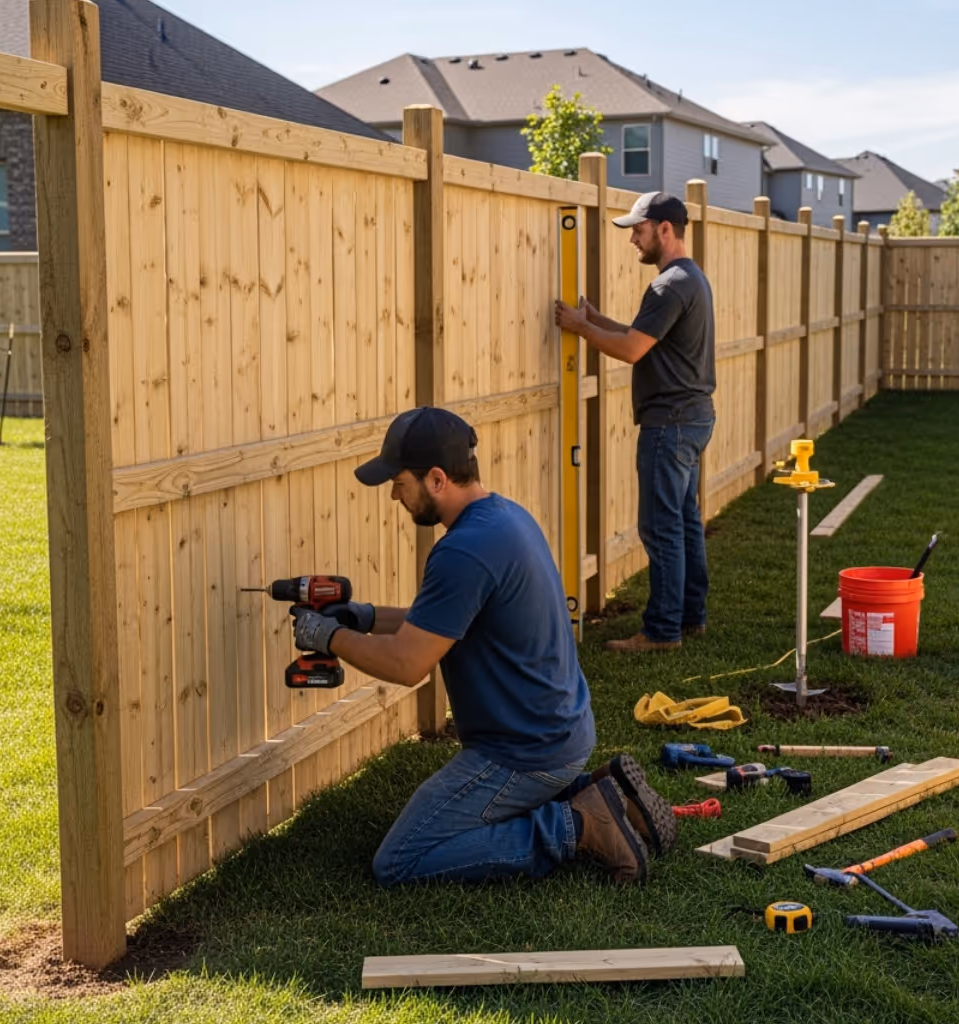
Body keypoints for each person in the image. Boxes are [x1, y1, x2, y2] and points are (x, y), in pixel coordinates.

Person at [290, 406, 676, 886]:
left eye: (399, 482)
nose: (393, 495)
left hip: (524, 753)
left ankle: (578, 824)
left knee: (400, 860)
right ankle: (600, 793)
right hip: (562, 732)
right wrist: (363, 617)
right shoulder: (504, 518)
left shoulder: (463, 551)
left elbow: (408, 663)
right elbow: (442, 622)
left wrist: (327, 635)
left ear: (436, 479)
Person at [554, 191, 715, 653]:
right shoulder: (691, 278)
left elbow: (630, 350)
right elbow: (640, 335)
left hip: (670, 423)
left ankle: (662, 631)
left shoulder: (669, 285)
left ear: (664, 229)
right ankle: (691, 617)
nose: (633, 241)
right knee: (684, 522)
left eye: (638, 231)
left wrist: (579, 328)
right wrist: (594, 318)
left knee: (661, 528)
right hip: (693, 417)